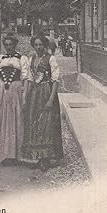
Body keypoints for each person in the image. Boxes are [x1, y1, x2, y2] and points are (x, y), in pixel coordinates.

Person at [22, 34, 63, 171]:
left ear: (45, 46)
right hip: (34, 94)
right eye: (36, 44)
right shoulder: (31, 58)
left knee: (47, 123)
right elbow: (29, 78)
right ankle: (35, 156)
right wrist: (25, 95)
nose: (38, 47)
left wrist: (51, 99)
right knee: (34, 121)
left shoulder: (51, 59)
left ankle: (47, 158)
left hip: (46, 92)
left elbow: (55, 80)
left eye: (41, 45)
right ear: (33, 45)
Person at [0, 33, 29, 166]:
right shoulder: (0, 58)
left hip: (15, 90)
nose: (8, 47)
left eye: (10, 44)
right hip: (3, 91)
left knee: (16, 120)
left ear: (15, 44)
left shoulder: (22, 58)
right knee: (3, 121)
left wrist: (24, 93)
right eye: (5, 45)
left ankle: (17, 154)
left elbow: (26, 77)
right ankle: (5, 154)